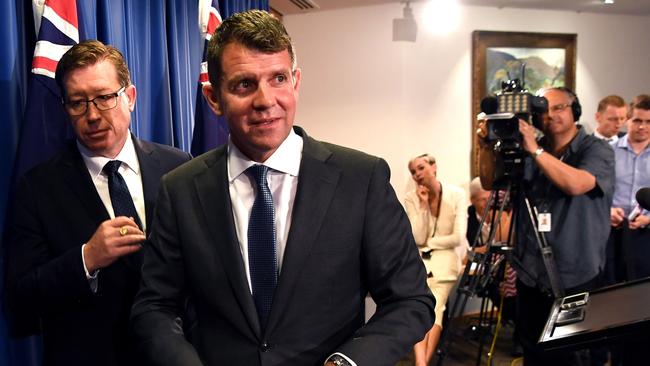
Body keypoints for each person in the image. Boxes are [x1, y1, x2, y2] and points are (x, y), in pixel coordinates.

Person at [130, 10, 435, 366]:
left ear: (296, 82)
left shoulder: (361, 178)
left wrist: (347, 363)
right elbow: (154, 307)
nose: (265, 100)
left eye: (278, 78)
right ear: (214, 98)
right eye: (245, 84)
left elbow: (410, 300)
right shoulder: (180, 189)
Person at [3, 40, 191, 365]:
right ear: (65, 109)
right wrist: (86, 258)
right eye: (78, 102)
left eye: (104, 97)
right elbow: (21, 298)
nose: (92, 115)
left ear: (129, 97)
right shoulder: (37, 187)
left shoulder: (179, 167)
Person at [477, 87, 614, 365]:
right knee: (535, 351)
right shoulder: (528, 149)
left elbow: (577, 184)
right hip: (531, 271)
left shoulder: (595, 149)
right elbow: (489, 181)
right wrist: (485, 146)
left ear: (574, 111)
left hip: (575, 273)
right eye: (543, 109)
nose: (550, 115)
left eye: (559, 107)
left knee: (572, 354)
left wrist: (535, 149)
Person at [404, 154, 467, 366]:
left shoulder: (457, 195)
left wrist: (430, 243)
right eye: (413, 172)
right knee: (422, 310)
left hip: (445, 264)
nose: (417, 174)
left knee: (435, 308)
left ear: (434, 167)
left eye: (421, 168)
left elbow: (458, 237)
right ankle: (421, 365)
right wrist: (422, 207)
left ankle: (420, 364)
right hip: (420, 264)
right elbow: (417, 237)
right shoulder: (411, 198)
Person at [609, 96, 650, 282]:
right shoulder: (608, 151)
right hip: (612, 231)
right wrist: (606, 211)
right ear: (627, 120)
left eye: (648, 122)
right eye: (637, 121)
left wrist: (648, 219)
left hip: (645, 234)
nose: (642, 126)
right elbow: (597, 190)